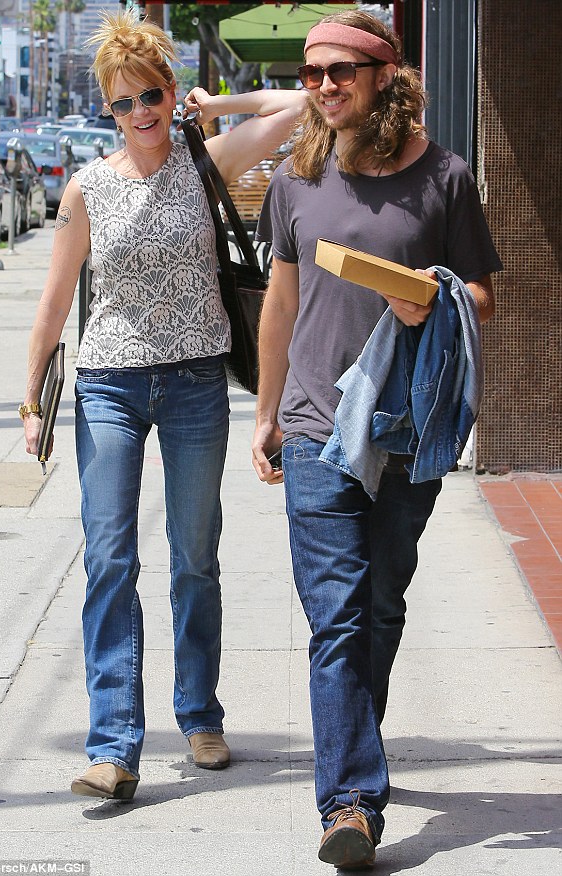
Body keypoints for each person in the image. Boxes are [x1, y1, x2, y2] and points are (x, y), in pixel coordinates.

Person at [20, 10, 307, 801]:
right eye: (122, 103)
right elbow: (53, 304)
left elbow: (297, 108)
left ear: (170, 93)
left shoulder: (203, 159)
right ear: (105, 110)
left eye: (151, 95)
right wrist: (32, 395)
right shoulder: (86, 189)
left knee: (193, 558)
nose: (140, 114)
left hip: (193, 386)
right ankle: (113, 744)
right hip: (109, 384)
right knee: (110, 557)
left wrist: (216, 110)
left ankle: (200, 714)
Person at [251, 9, 502, 870]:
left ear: (386, 75)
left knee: (381, 607)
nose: (324, 85)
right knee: (338, 616)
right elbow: (280, 301)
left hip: (408, 429)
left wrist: (432, 298)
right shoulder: (295, 178)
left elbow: (483, 296)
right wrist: (267, 410)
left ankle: (351, 743)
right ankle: (351, 801)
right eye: (314, 72)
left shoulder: (446, 178)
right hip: (319, 428)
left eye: (341, 71)